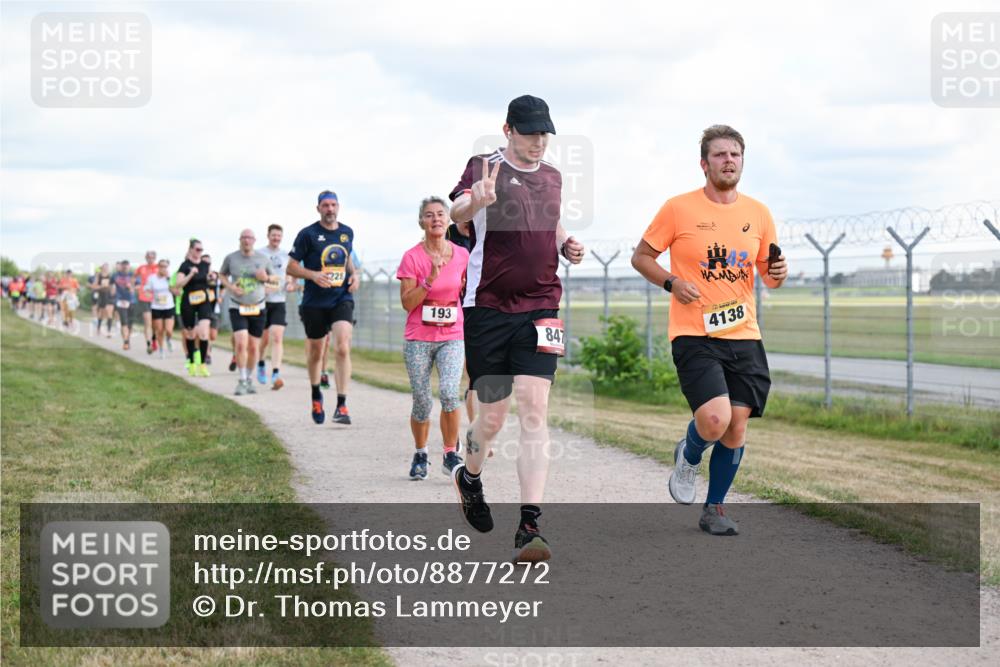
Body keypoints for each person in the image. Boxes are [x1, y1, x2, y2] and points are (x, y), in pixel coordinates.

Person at [631, 124, 788, 536]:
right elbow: (641, 256)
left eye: (735, 154)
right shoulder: (678, 208)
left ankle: (714, 508)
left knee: (737, 425)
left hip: (744, 333)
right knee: (714, 420)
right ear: (704, 164)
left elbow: (769, 277)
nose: (728, 160)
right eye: (720, 154)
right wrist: (672, 282)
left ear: (742, 161)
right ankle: (691, 451)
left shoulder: (758, 213)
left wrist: (779, 273)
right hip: (694, 332)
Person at [447, 94, 585, 563]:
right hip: (487, 307)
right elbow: (458, 211)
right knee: (490, 419)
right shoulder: (483, 166)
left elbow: (550, 219)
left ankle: (529, 526)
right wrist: (474, 202)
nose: (538, 142)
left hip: (542, 305)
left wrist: (566, 242)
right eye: (529, 134)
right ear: (508, 130)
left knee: (534, 408)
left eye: (545, 134)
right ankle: (470, 476)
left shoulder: (552, 176)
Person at [397, 196, 470, 480]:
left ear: (449, 220)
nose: (436, 219)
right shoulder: (412, 257)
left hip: (452, 334)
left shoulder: (462, 255)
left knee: (450, 394)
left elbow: (466, 288)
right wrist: (430, 278)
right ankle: (421, 453)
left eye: (441, 214)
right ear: (421, 222)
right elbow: (407, 302)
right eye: (429, 215)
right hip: (419, 337)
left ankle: (450, 453)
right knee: (422, 400)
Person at [287, 190, 358, 425]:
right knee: (317, 352)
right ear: (318, 208)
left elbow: (347, 260)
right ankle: (316, 393)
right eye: (325, 205)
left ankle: (342, 404)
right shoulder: (308, 234)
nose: (330, 209)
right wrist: (313, 275)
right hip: (314, 301)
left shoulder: (347, 232)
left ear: (338, 207)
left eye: (333, 205)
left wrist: (354, 275)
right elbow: (291, 267)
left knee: (343, 347)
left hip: (341, 298)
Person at [219, 230, 273, 396]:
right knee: (241, 343)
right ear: (240, 240)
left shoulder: (263, 259)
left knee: (253, 346)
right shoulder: (231, 258)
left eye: (250, 238)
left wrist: (266, 279)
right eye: (244, 237)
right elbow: (221, 274)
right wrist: (231, 287)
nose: (247, 240)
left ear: (254, 240)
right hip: (237, 305)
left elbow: (275, 280)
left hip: (258, 306)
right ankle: (242, 379)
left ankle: (249, 378)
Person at [257, 224, 294, 390]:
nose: (276, 238)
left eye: (279, 235)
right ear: (268, 235)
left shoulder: (286, 255)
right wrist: (262, 286)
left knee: (277, 337)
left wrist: (291, 283)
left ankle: (276, 373)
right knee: (264, 340)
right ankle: (260, 364)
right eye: (273, 235)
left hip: (279, 301)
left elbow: (291, 275)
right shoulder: (259, 254)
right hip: (262, 301)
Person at [175, 239, 213, 376]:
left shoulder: (205, 264)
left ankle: (202, 365)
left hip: (203, 300)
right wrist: (190, 274)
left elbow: (209, 279)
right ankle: (191, 362)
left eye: (201, 250)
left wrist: (212, 277)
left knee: (203, 332)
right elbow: (179, 284)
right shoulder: (184, 265)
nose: (199, 252)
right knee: (190, 334)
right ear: (191, 249)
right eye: (197, 249)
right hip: (188, 301)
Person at [148, 258, 176, 358]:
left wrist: (169, 280)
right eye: (161, 266)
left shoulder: (170, 278)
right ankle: (161, 349)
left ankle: (168, 340)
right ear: (158, 267)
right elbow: (147, 290)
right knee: (159, 330)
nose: (163, 268)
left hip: (169, 306)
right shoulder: (152, 278)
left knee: (169, 330)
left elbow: (175, 291)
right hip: (156, 307)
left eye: (165, 266)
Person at [134, 250, 159, 354]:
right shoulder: (141, 268)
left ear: (155, 258)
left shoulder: (159, 268)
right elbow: (134, 279)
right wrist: (136, 286)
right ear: (146, 258)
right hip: (144, 298)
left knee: (156, 324)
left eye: (152, 257)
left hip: (157, 299)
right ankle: (148, 344)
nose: (150, 259)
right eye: (148, 257)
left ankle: (154, 340)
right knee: (147, 322)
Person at [202, 254, 222, 365]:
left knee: (213, 335)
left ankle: (208, 347)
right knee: (204, 333)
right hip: (201, 309)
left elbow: (223, 287)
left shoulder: (215, 276)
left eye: (208, 263)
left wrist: (220, 296)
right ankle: (207, 354)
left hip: (215, 310)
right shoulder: (199, 276)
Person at [112, 261, 136, 349]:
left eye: (127, 266)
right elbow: (111, 285)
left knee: (130, 324)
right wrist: (112, 289)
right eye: (123, 266)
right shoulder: (115, 275)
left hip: (132, 301)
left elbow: (139, 286)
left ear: (129, 267)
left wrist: (132, 288)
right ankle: (125, 341)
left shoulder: (133, 275)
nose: (125, 268)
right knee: (124, 323)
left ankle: (127, 339)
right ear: (121, 266)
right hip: (120, 301)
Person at [90, 263, 114, 337]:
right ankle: (98, 328)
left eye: (107, 267)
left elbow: (113, 286)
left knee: (109, 312)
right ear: (102, 268)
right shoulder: (99, 276)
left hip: (109, 296)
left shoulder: (111, 275)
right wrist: (101, 287)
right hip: (102, 295)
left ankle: (109, 331)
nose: (106, 268)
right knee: (102, 314)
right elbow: (94, 286)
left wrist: (111, 288)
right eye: (104, 267)